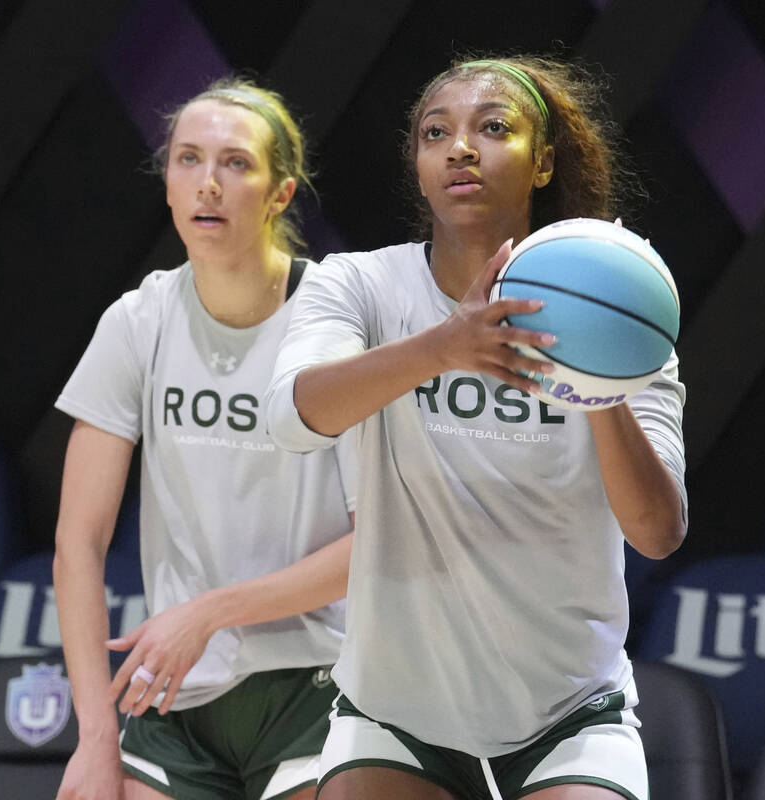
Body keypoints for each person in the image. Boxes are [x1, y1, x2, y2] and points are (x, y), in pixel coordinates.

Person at [264, 56, 687, 800]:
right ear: (419, 164)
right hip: (396, 713)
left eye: (493, 128)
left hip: (567, 710)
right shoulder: (361, 286)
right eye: (437, 132)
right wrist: (440, 349)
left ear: (543, 161)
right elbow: (293, 418)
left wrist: (600, 385)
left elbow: (657, 532)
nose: (461, 147)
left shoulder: (628, 315)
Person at [52, 77, 356, 800]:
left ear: (281, 193)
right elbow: (78, 543)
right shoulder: (137, 321)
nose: (207, 184)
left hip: (320, 680)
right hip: (177, 691)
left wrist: (212, 610)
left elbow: (380, 541)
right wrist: (96, 741)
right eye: (188, 160)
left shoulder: (338, 323)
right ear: (166, 182)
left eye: (235, 163)